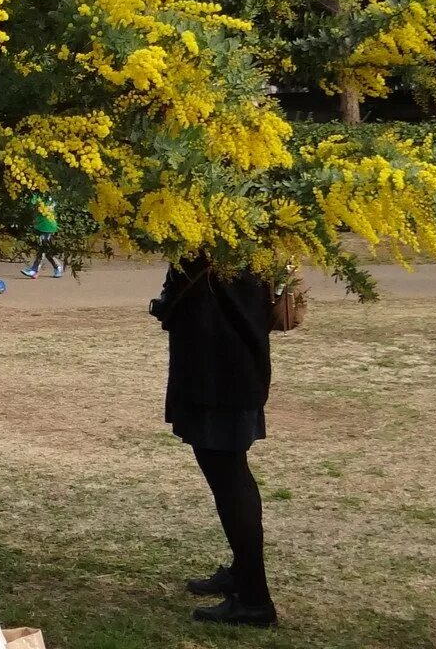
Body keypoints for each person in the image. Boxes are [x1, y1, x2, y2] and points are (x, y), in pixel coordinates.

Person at [153, 254, 277, 627]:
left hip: (220, 371)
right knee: (227, 472)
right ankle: (243, 574)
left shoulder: (222, 234)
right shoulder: (239, 235)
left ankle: (255, 600)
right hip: (224, 367)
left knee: (228, 474)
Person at [21, 193, 63, 278]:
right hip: (40, 226)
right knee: (46, 251)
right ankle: (57, 267)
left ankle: (34, 270)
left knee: (42, 249)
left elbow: (32, 204)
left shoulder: (44, 196)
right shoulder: (40, 195)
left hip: (47, 227)